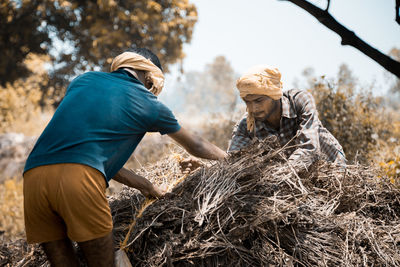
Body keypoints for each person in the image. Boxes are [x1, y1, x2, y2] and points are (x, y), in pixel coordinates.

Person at [23, 48, 227, 267]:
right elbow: (196, 144)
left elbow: (89, 154)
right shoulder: (149, 103)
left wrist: (146, 186)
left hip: (33, 177)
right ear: (150, 76)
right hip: (79, 180)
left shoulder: (83, 81)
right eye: (152, 85)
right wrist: (232, 158)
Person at [227, 65, 345, 171]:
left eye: (259, 100)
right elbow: (233, 160)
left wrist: (280, 174)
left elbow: (309, 149)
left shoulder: (299, 101)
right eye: (248, 102)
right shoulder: (246, 125)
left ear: (274, 95)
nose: (253, 108)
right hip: (292, 181)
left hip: (331, 166)